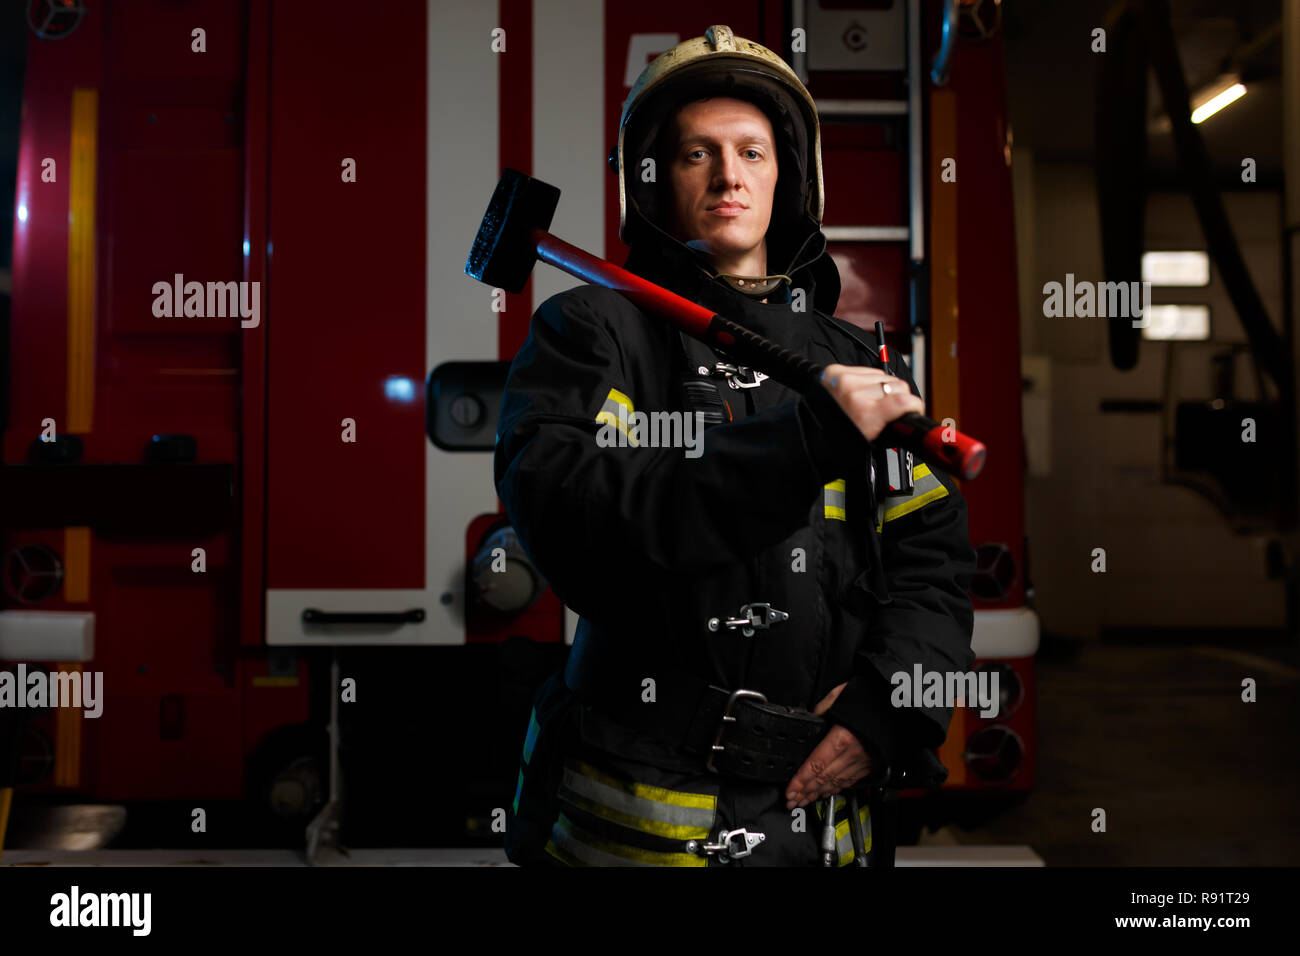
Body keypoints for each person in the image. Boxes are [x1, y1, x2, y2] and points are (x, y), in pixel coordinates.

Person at [495, 25, 975, 867]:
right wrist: (796, 445)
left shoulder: (854, 360)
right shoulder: (591, 334)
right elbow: (572, 517)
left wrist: (890, 706)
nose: (728, 177)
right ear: (653, 181)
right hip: (639, 813)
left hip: (832, 820)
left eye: (752, 152)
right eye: (696, 155)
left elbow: (930, 560)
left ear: (789, 174)